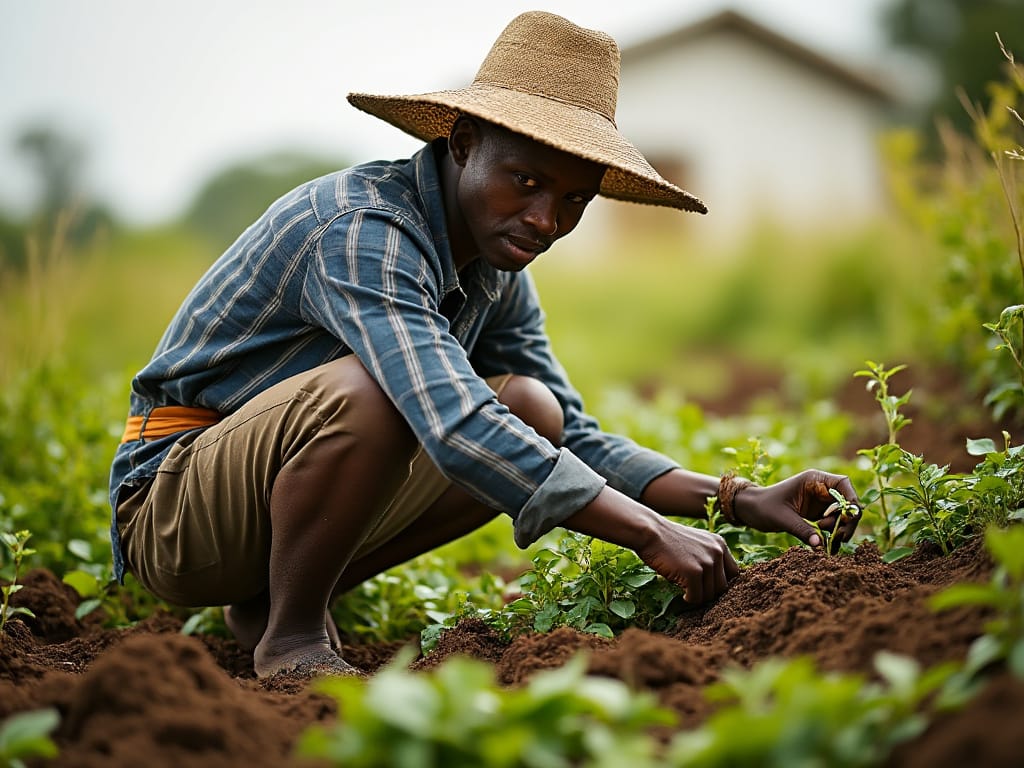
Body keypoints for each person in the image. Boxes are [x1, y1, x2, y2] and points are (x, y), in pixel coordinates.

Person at [108, 11, 861, 678]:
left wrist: (732, 498)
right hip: (173, 510)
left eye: (573, 200)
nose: (544, 220)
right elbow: (453, 420)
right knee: (374, 391)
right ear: (463, 144)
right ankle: (293, 638)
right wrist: (648, 533)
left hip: (254, 507)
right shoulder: (364, 231)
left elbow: (576, 434)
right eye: (525, 181)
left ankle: (273, 600)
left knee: (531, 409)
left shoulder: (493, 266)